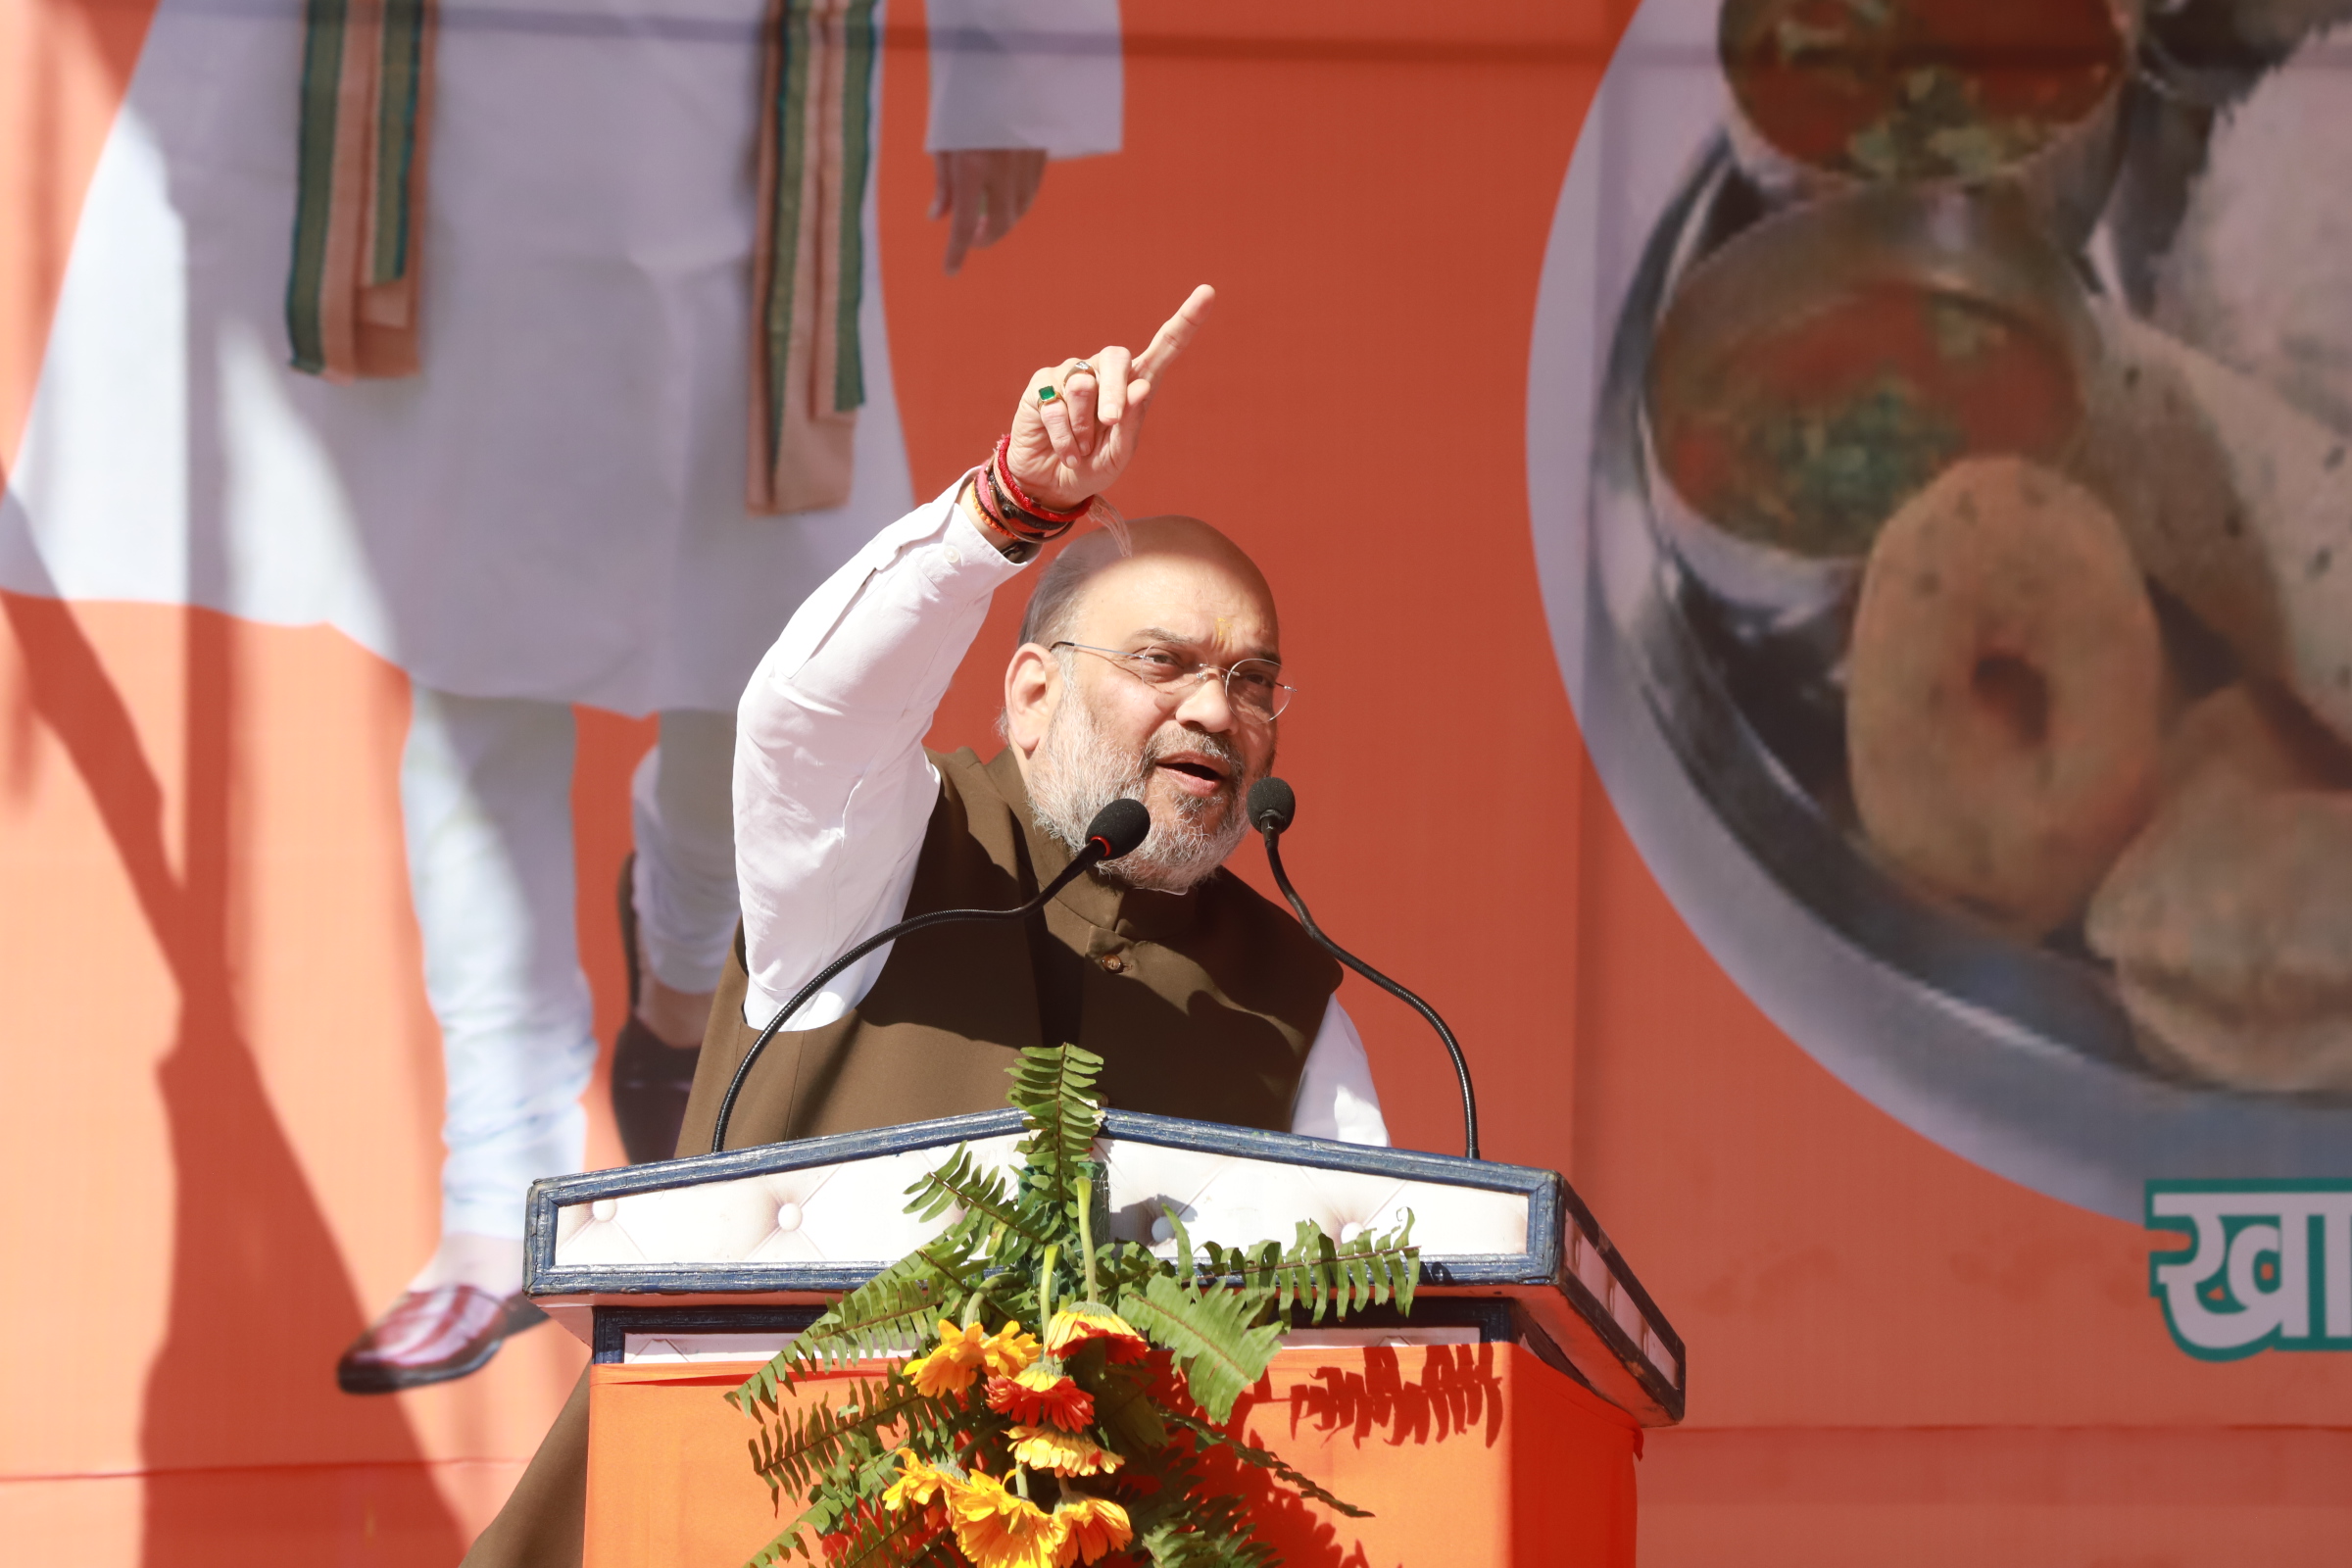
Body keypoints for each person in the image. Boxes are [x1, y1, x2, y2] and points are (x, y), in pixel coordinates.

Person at [459, 285, 1388, 1567]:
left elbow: (1394, 1309)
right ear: (1031, 692)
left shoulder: (1294, 997)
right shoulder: (884, 844)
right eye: (1165, 662)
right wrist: (1006, 508)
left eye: (1252, 680)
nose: (1218, 712)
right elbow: (805, 715)